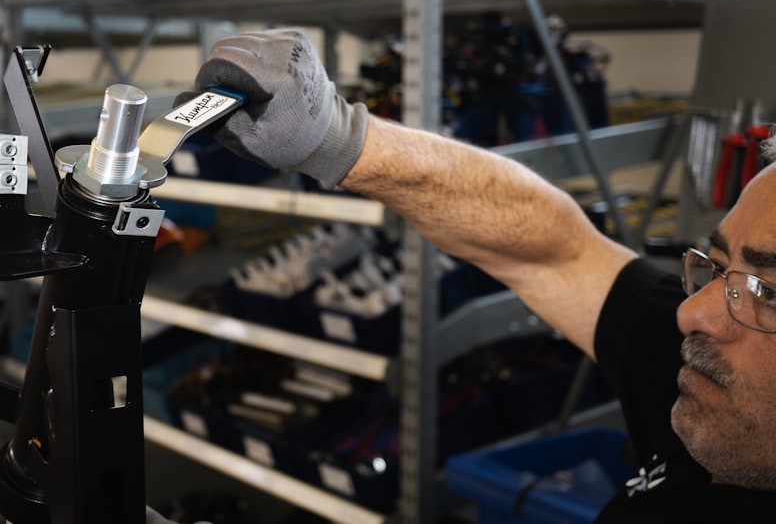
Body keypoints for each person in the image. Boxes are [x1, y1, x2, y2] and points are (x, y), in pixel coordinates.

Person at [148, 28, 776, 523]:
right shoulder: (696, 377)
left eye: (768, 293)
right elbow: (553, 248)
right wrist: (336, 138)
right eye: (717, 268)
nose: (693, 313)